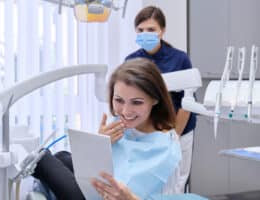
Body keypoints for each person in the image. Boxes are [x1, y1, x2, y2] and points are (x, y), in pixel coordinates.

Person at [32, 58, 182, 199]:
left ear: (155, 99)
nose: (125, 111)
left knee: (41, 159)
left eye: (137, 102)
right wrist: (100, 143)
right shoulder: (119, 124)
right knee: (61, 156)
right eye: (119, 100)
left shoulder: (168, 148)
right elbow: (97, 167)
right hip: (98, 189)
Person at [125, 6, 197, 193]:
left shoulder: (180, 59)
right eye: (140, 30)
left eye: (151, 29)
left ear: (162, 31)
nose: (145, 34)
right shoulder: (131, 62)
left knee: (177, 183)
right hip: (147, 131)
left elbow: (186, 102)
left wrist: (174, 135)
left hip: (179, 129)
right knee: (150, 183)